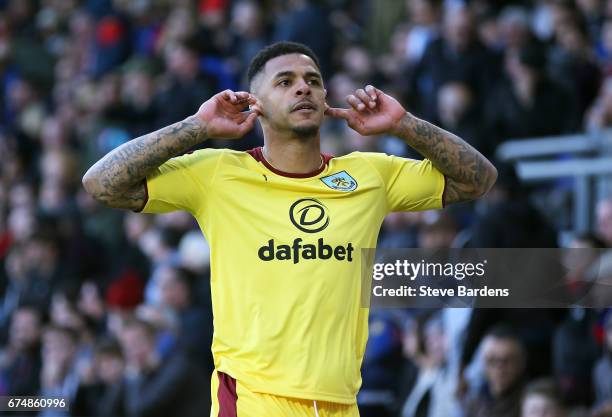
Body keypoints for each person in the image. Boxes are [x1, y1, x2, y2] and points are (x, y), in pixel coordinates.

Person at [82, 41, 496, 416]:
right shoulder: (219, 174)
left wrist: (404, 124)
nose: (304, 88)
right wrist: (196, 128)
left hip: (341, 404)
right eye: (286, 81)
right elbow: (102, 183)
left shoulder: (370, 174)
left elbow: (477, 180)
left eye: (313, 81)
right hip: (254, 400)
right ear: (254, 103)